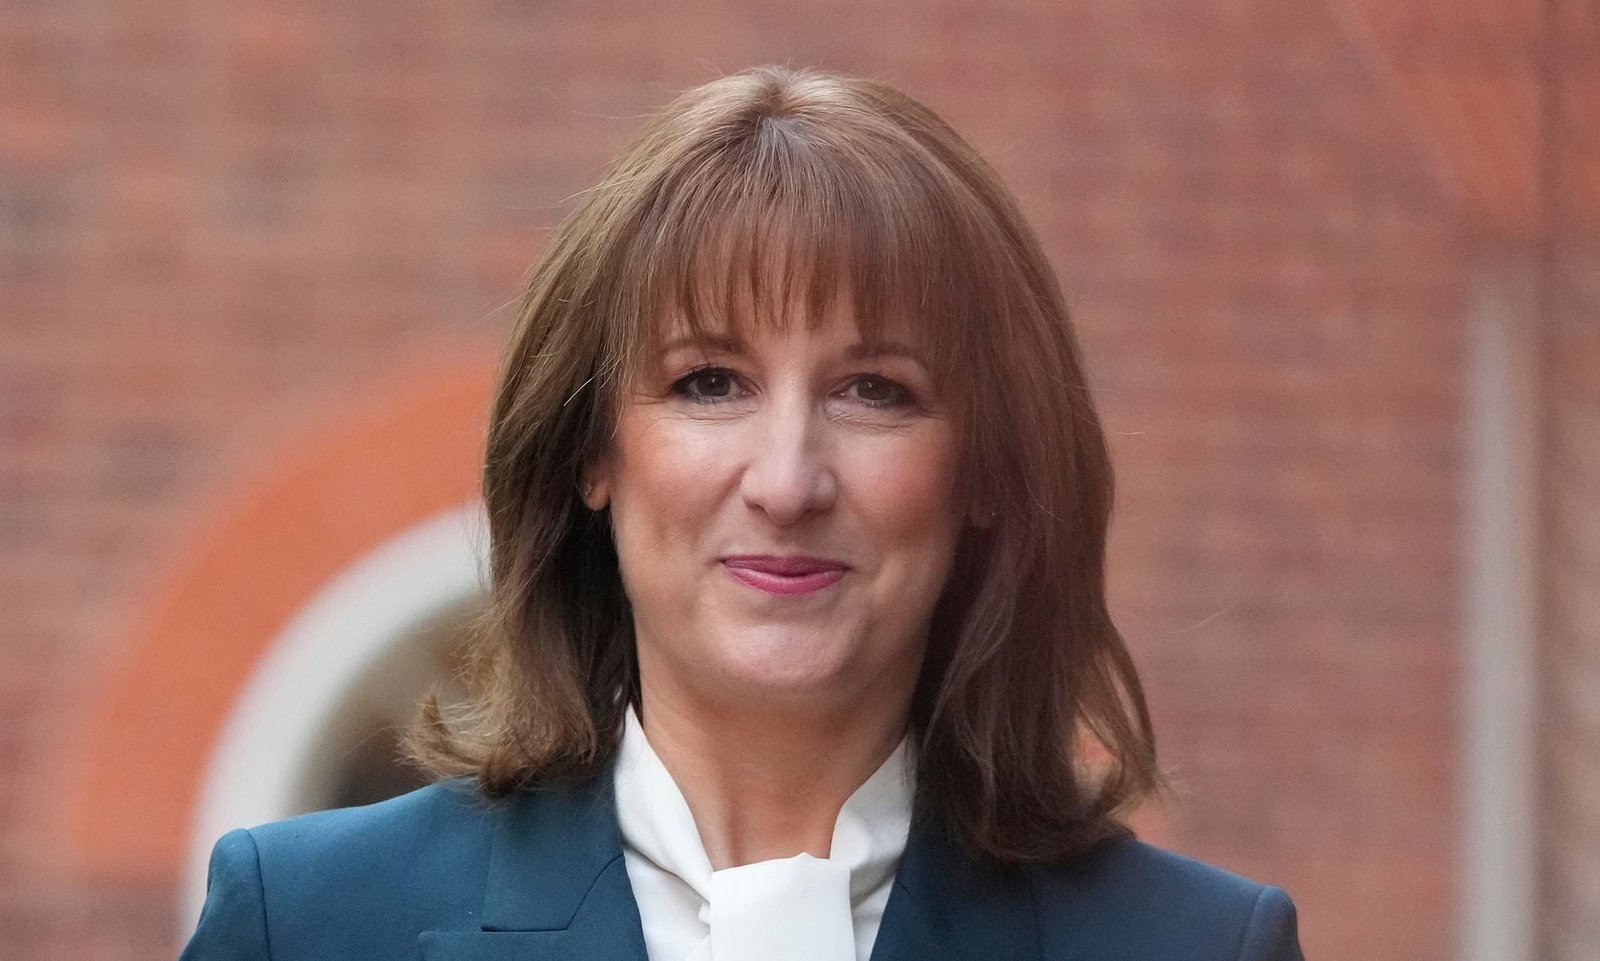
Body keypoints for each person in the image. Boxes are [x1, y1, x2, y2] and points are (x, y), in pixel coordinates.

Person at [179, 65, 1305, 961]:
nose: (786, 480)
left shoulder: (1195, 945)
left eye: (876, 391)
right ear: (592, 449)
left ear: (988, 471)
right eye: (709, 383)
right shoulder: (308, 923)